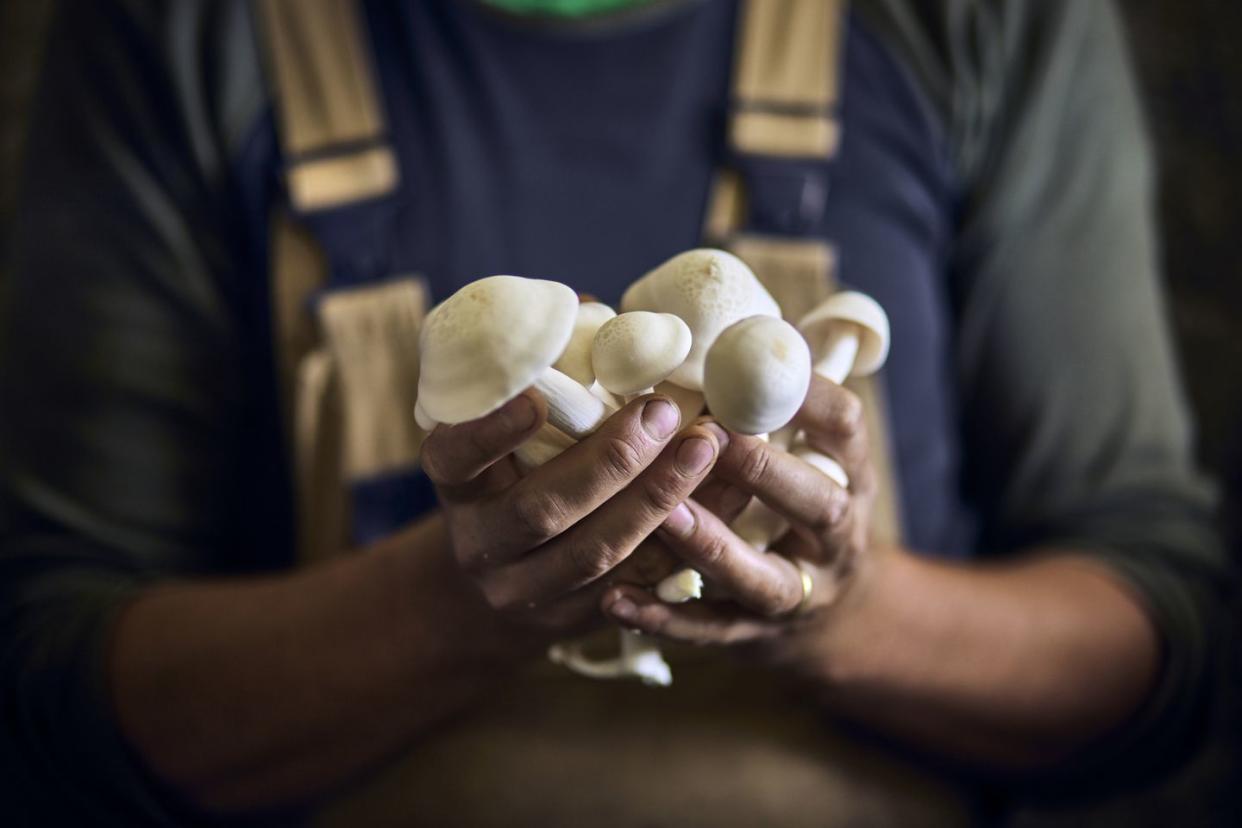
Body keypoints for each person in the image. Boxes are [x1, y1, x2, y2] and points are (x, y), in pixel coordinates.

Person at [0, 0, 1228, 824]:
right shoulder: (181, 31)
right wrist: (458, 608)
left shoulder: (979, 22)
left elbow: (1165, 644)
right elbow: (52, 679)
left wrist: (845, 618)